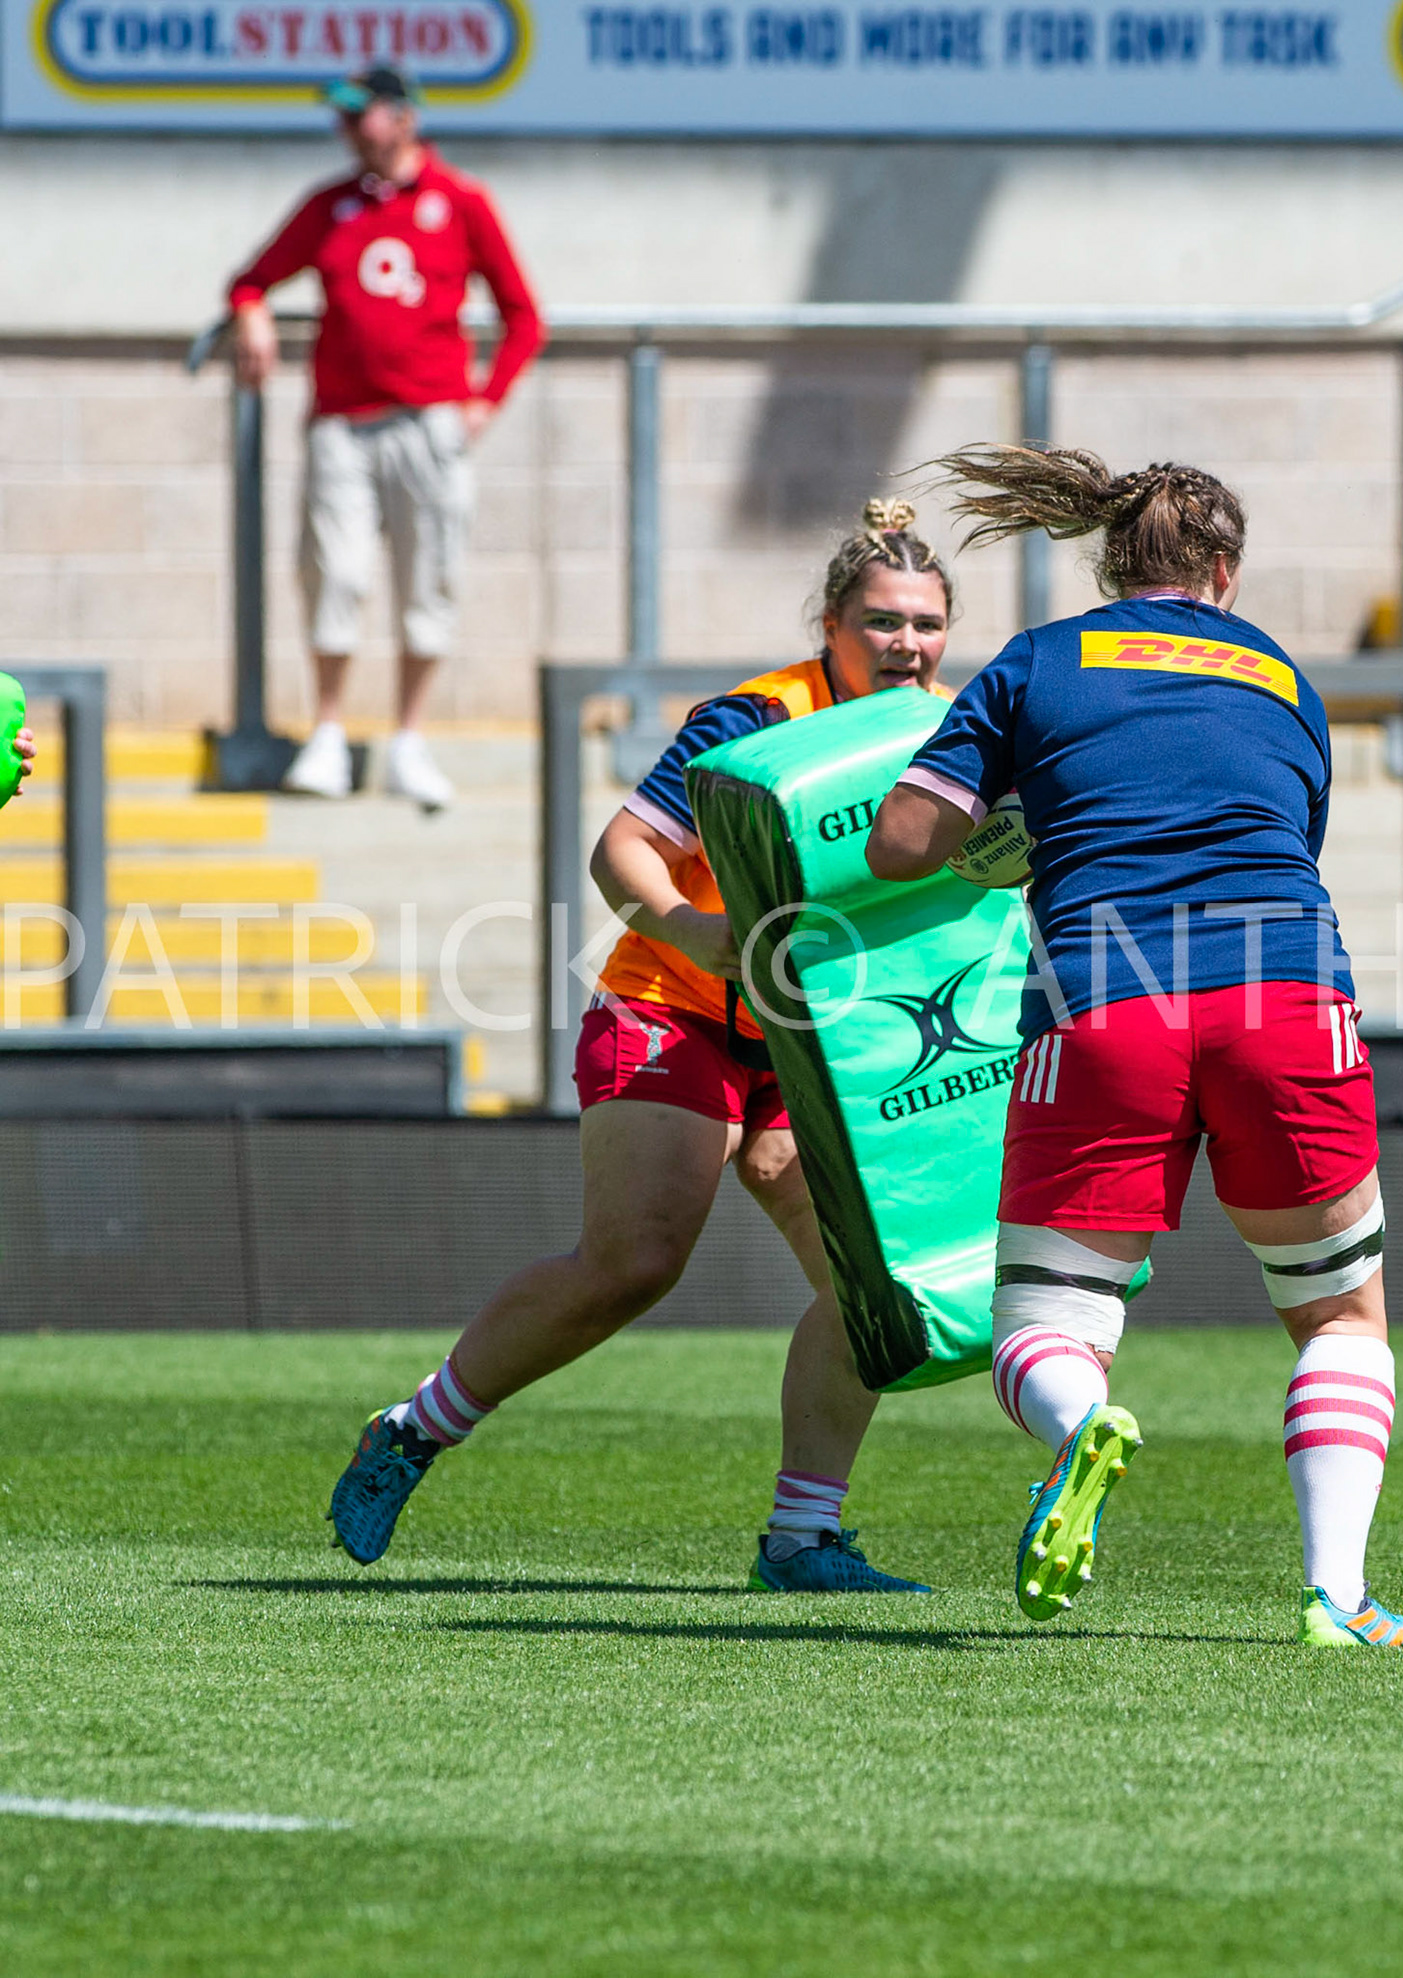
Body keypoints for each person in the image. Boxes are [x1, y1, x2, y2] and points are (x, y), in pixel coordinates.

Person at [866, 446, 1403, 1648]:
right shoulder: (1283, 675)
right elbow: (1283, 828)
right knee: (1340, 1318)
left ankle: (1084, 1427)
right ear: (1223, 573)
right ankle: (1337, 1599)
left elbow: (902, 842)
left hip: (1106, 992)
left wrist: (1003, 837)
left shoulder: (1041, 659)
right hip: (1290, 989)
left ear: (1108, 565)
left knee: (1042, 1323)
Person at [327, 502, 954, 1592]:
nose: (909, 644)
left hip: (817, 1041)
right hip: (677, 1006)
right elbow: (623, 846)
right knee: (634, 1263)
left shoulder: (943, 726)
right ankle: (413, 1429)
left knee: (875, 1287)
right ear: (831, 622)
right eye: (884, 621)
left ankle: (802, 1539)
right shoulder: (751, 719)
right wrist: (694, 926)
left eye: (928, 624)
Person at [225, 65, 545, 812]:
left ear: (402, 117)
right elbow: (251, 278)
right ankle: (330, 733)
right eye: (341, 118)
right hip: (342, 424)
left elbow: (523, 316)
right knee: (335, 574)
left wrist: (484, 400)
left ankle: (408, 739)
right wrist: (252, 312)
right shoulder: (330, 205)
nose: (347, 131)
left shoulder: (461, 201)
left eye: (360, 115)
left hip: (429, 423)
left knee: (428, 579)